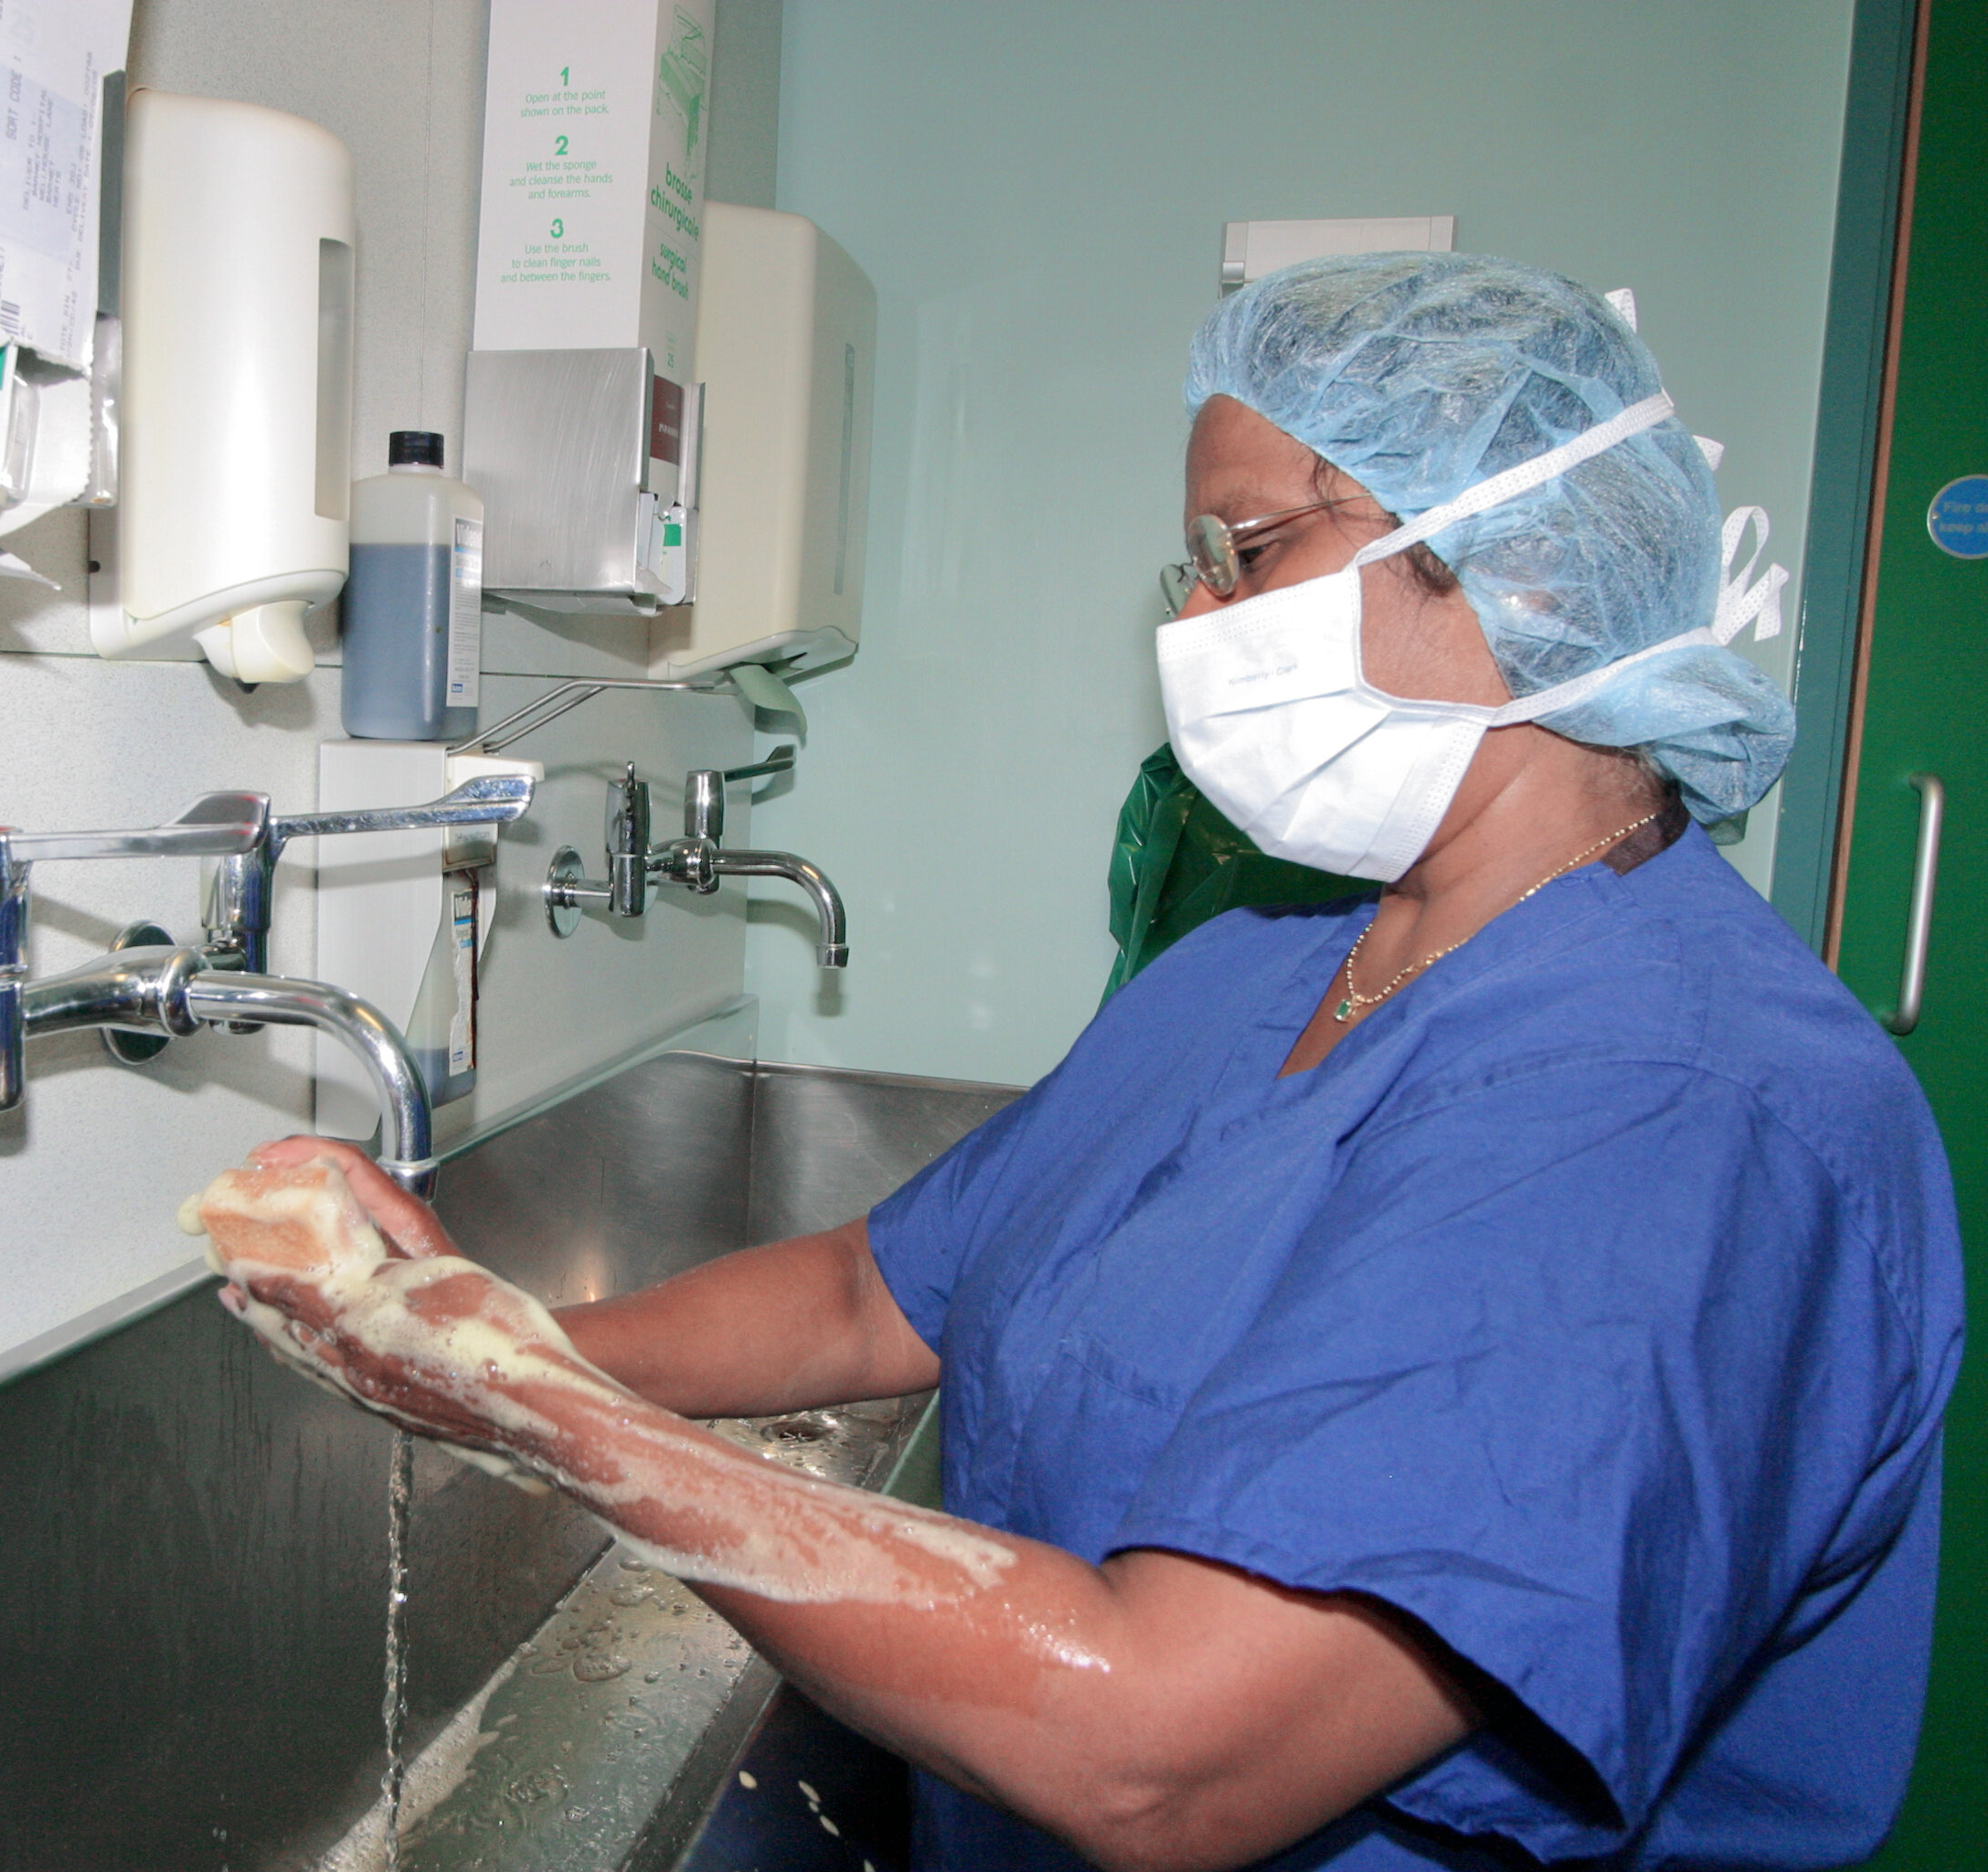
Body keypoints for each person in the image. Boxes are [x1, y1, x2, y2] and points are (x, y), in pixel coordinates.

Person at [194, 253, 1964, 1872]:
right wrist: (465, 1324)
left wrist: (539, 1409)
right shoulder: (1261, 977)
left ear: (1530, 568)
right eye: (1190, 571)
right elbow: (873, 1294)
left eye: (1253, 552)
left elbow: (1163, 1752)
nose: (1198, 626)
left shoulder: (1695, 1122)